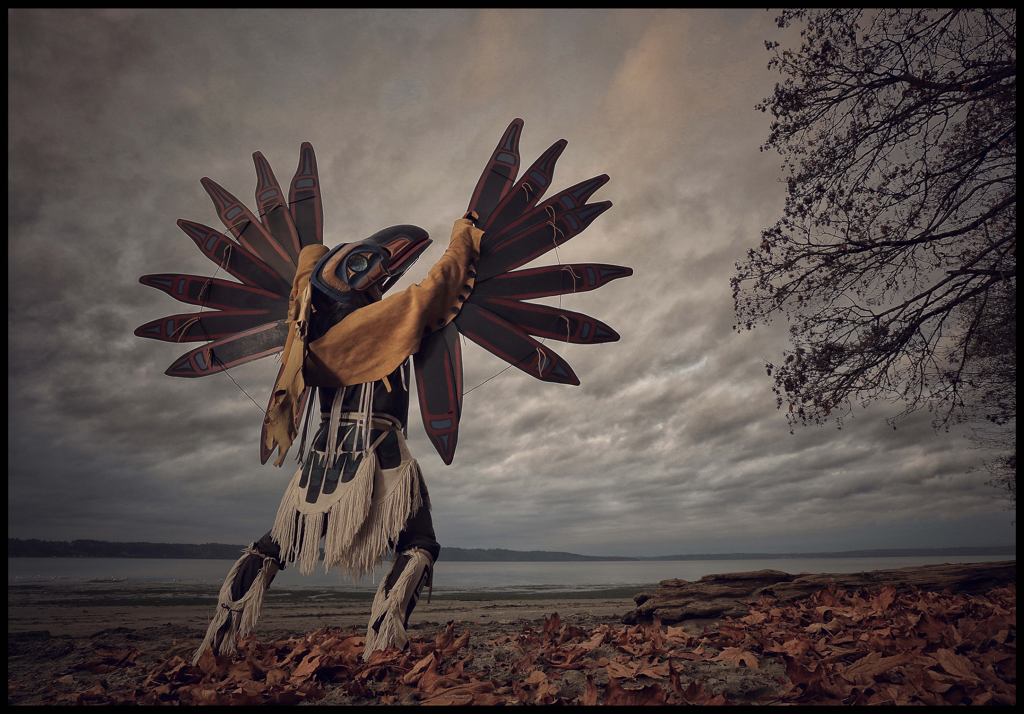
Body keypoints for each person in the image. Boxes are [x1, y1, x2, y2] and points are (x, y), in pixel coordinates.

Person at [192, 216, 482, 664]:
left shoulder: (305, 331)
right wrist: (463, 234)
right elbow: (439, 286)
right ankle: (384, 642)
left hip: (321, 462)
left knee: (278, 543)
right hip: (379, 454)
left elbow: (306, 282)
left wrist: (313, 251)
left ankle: (219, 636)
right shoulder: (376, 324)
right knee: (419, 541)